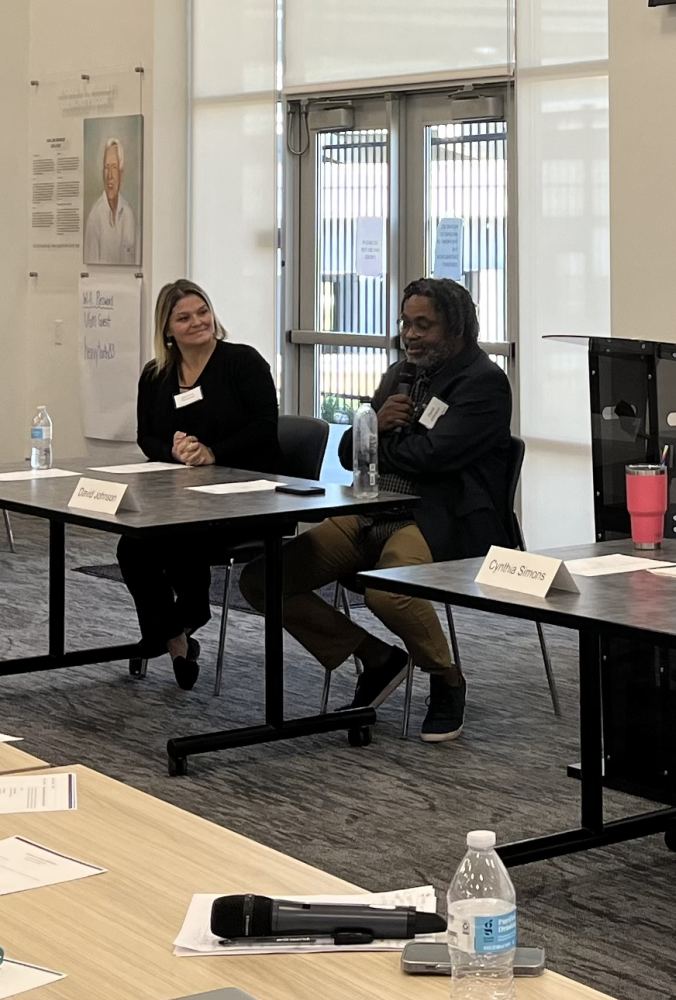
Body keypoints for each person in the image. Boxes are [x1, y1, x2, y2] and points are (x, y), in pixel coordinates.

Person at [239, 278, 513, 743]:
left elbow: (434, 459)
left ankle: (447, 679)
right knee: (261, 581)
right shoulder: (399, 374)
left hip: (435, 516)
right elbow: (350, 451)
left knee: (390, 593)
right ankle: (376, 657)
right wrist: (378, 426)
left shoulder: (484, 383)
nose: (410, 334)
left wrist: (380, 436)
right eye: (406, 323)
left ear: (456, 326)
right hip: (370, 509)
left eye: (422, 325)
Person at [117, 279, 279, 690]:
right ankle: (175, 637)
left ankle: (180, 621)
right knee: (132, 544)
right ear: (167, 329)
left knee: (177, 540)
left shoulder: (243, 363)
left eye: (202, 312)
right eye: (184, 317)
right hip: (181, 497)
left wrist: (213, 453)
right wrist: (173, 451)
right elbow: (146, 436)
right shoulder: (156, 375)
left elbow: (264, 427)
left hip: (244, 497)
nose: (197, 322)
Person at [84, 138, 138, 265]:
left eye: (114, 168)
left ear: (121, 173)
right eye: (107, 168)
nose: (110, 176)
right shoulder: (94, 218)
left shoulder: (129, 215)